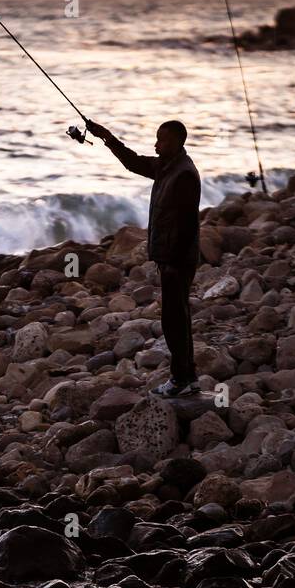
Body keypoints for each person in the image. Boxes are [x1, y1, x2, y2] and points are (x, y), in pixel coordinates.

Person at [84, 117, 201, 398]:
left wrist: (172, 264)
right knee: (176, 318)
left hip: (177, 261)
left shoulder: (184, 174)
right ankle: (188, 377)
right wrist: (107, 138)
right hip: (170, 259)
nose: (156, 145)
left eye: (161, 140)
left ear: (176, 142)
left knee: (175, 321)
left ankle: (181, 379)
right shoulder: (166, 167)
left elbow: (187, 227)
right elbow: (133, 162)